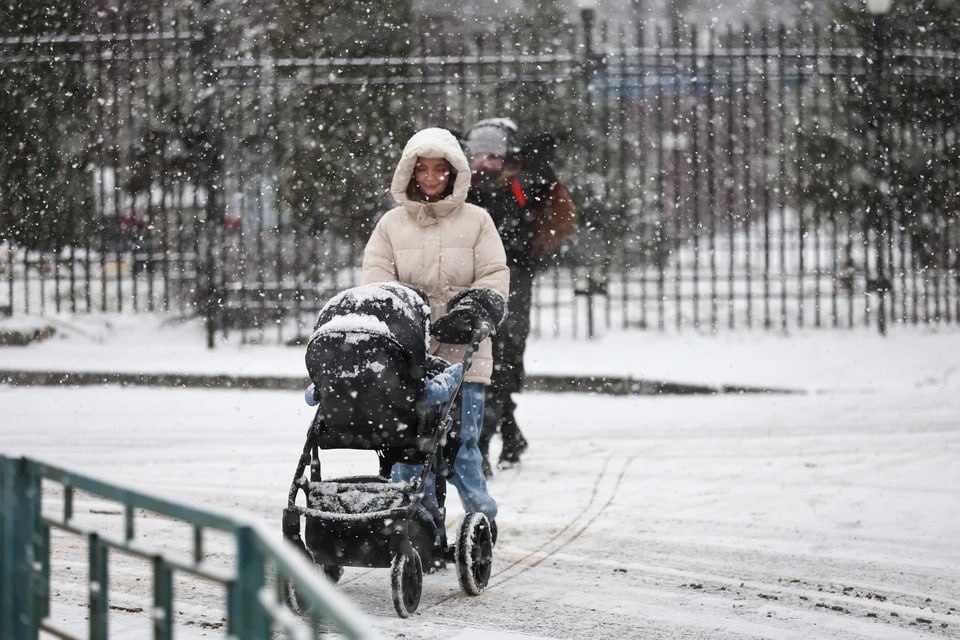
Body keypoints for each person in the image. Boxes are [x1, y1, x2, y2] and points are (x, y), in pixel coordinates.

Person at [361, 126, 509, 530]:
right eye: (422, 169)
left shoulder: (478, 221)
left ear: (454, 173)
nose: (430, 177)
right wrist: (404, 311)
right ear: (410, 173)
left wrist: (476, 307)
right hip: (411, 354)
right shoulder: (391, 226)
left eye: (439, 170)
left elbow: (494, 274)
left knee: (463, 448)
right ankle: (421, 525)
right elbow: (376, 281)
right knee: (412, 449)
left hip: (465, 355)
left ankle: (482, 519)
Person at [463, 118, 578, 475]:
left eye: (492, 155)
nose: (483, 163)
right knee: (482, 358)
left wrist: (529, 250)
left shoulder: (524, 185)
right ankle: (508, 435)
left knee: (503, 355)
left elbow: (553, 223)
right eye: (476, 155)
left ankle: (485, 442)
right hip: (473, 280)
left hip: (512, 282)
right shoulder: (463, 187)